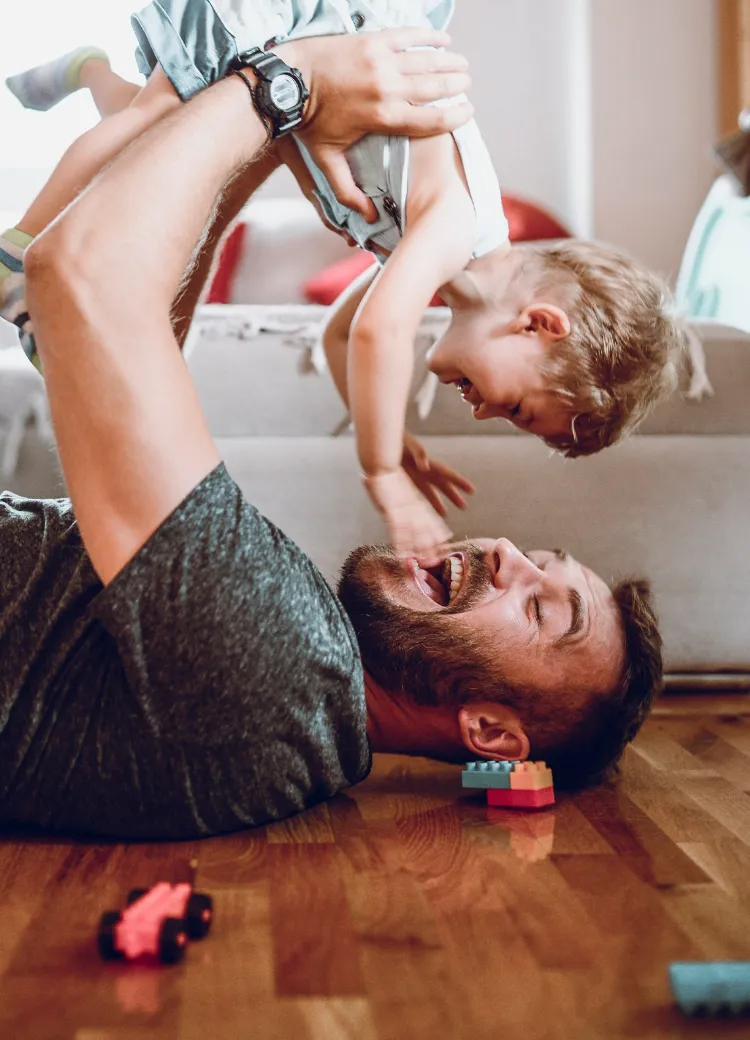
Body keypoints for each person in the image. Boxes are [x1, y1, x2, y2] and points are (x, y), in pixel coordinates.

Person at [0, 30, 664, 842]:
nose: (506, 553)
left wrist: (290, 85)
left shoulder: (279, 664)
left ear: (490, 733)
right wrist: (268, 141)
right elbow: (117, 357)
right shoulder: (294, 704)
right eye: (540, 557)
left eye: (539, 608)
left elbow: (78, 275)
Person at [2, 0, 682, 556]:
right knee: (151, 124)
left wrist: (382, 425)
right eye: (515, 407)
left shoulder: (439, 269)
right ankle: (18, 252)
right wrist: (383, 471)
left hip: (286, 63)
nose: (481, 411)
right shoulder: (457, 225)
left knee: (149, 126)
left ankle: (84, 71)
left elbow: (336, 338)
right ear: (539, 324)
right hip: (287, 23)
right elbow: (376, 335)